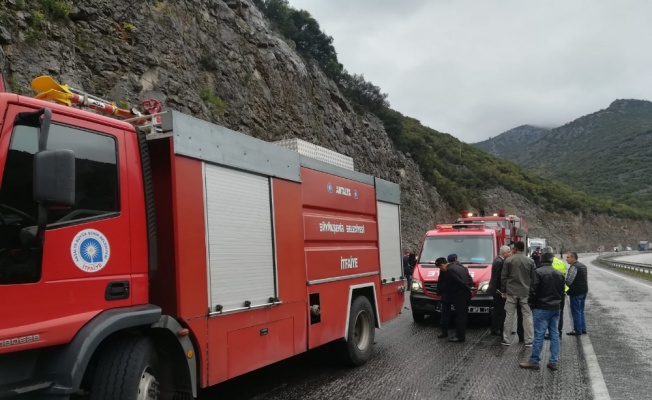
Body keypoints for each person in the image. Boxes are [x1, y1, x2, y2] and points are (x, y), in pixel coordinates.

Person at [519, 252, 565, 370]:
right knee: (554, 334)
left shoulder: (538, 272)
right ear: (552, 260)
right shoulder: (559, 274)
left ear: (541, 260)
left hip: (541, 307)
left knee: (539, 334)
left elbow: (533, 290)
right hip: (555, 307)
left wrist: (531, 304)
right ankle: (553, 360)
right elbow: (562, 292)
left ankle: (534, 360)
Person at [500, 241, 535, 346]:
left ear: (515, 249)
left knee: (509, 315)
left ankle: (506, 339)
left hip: (511, 291)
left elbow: (504, 277)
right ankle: (529, 339)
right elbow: (534, 278)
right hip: (525, 292)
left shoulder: (508, 261)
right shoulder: (530, 261)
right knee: (527, 316)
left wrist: (503, 290)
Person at [445, 253, 474, 343]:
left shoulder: (449, 269)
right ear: (456, 259)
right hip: (466, 295)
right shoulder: (462, 268)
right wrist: (469, 288)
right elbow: (470, 280)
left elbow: (456, 282)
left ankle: (460, 336)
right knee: (463, 315)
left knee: (460, 316)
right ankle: (461, 335)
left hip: (458, 295)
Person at [541, 246, 567, 340]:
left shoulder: (545, 263)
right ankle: (558, 332)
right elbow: (564, 276)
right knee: (560, 313)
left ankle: (550, 332)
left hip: (549, 291)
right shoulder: (560, 262)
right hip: (561, 291)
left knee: (548, 313)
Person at [488, 245, 511, 336]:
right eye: (509, 252)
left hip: (497, 290)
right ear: (504, 253)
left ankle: (498, 327)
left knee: (499, 310)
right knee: (499, 310)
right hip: (498, 291)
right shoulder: (500, 262)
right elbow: (498, 278)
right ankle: (496, 328)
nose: (510, 253)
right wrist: (501, 290)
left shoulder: (498, 260)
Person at [565, 252, 588, 335]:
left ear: (573, 258)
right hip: (583, 291)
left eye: (568, 257)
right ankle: (583, 328)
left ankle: (577, 330)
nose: (566, 259)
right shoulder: (583, 266)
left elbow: (569, 281)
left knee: (576, 311)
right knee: (581, 310)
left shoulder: (574, 267)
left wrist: (564, 286)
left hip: (576, 292)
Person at [435, 257, 453, 339]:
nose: (440, 269)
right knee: (444, 314)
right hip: (446, 296)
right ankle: (444, 332)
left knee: (459, 315)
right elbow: (440, 281)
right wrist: (439, 292)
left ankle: (459, 334)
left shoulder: (451, 270)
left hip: (455, 295)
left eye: (440, 267)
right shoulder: (443, 270)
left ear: (443, 264)